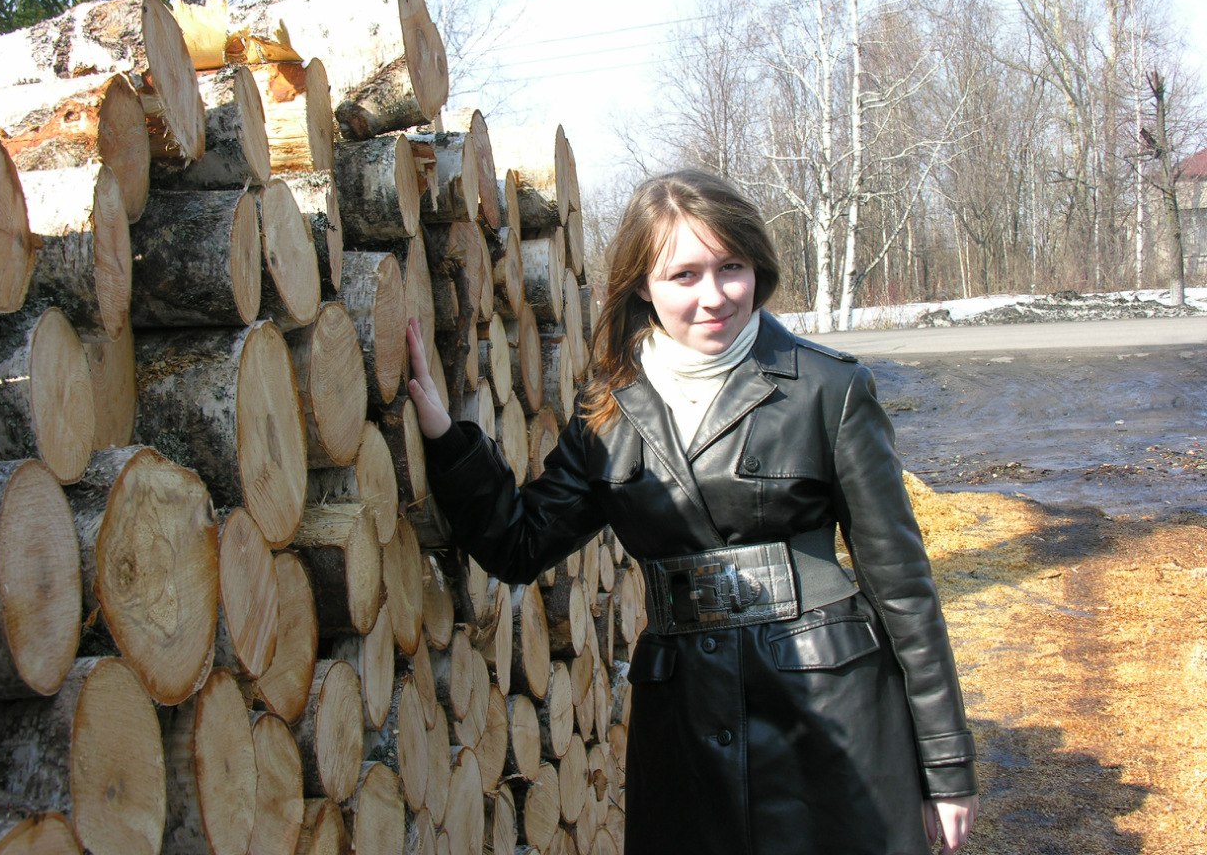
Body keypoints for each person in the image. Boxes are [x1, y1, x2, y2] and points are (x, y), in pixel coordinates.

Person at [406, 169, 978, 855]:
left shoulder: (830, 389)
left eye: (731, 267)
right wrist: (446, 440)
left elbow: (904, 589)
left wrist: (946, 767)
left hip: (834, 717)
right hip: (683, 728)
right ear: (642, 286)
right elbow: (518, 544)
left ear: (757, 268)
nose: (714, 296)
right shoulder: (608, 412)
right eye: (684, 275)